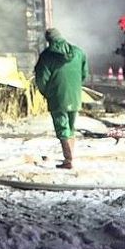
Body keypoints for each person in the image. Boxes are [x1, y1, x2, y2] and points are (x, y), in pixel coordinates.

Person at [34, 28, 88, 169]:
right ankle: (71, 157)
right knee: (71, 127)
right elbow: (84, 74)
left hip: (57, 96)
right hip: (75, 95)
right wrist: (76, 85)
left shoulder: (46, 56)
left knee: (62, 127)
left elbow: (41, 79)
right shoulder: (78, 52)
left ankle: (68, 160)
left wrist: (47, 93)